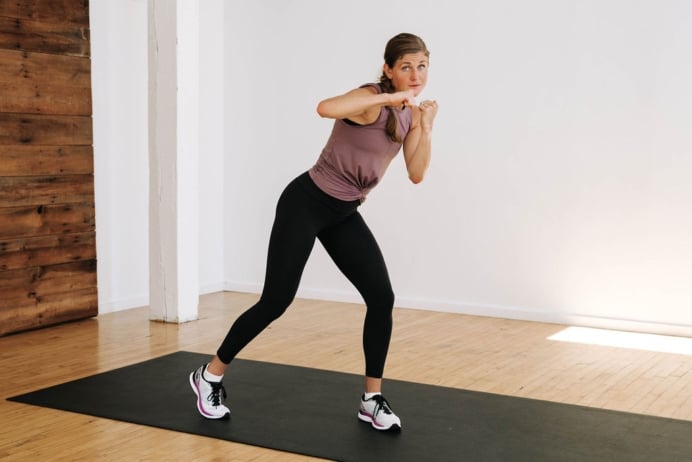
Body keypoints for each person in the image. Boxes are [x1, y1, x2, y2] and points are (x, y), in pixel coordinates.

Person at [189, 32, 438, 432]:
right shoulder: (369, 99)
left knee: (381, 296)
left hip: (343, 212)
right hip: (305, 202)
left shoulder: (408, 113)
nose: (415, 75)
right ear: (389, 69)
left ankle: (371, 399)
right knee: (277, 299)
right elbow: (325, 107)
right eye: (406, 66)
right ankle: (209, 375)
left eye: (422, 66)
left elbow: (416, 173)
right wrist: (385, 98)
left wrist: (425, 127)